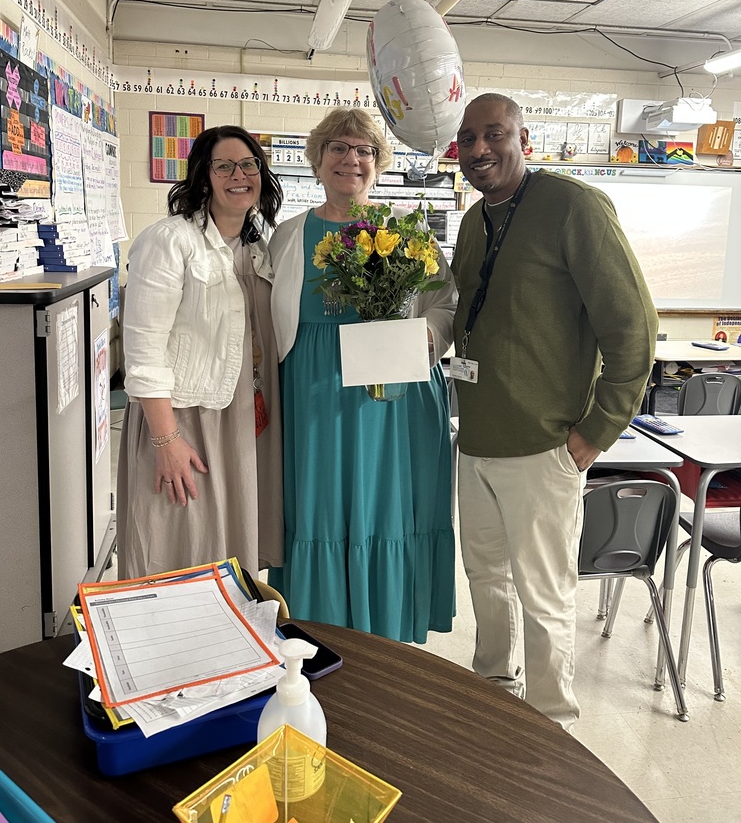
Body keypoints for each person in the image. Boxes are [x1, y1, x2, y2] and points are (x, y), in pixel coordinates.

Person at [450, 93, 658, 732]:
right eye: (468, 139)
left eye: (494, 135)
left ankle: (550, 725)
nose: (480, 150)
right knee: (485, 580)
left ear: (523, 138)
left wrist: (596, 432)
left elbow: (633, 328)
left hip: (545, 447)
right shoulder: (475, 221)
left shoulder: (574, 207)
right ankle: (492, 689)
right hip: (476, 438)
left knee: (542, 595)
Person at [268, 107, 457, 643]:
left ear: (378, 162)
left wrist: (424, 338)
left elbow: (445, 304)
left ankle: (386, 633)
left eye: (365, 150)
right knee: (320, 505)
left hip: (391, 395)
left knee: (385, 505)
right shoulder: (288, 236)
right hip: (313, 392)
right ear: (318, 159)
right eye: (339, 148)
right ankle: (318, 629)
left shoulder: (407, 233)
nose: (351, 159)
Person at [117, 125, 284, 580]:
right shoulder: (170, 240)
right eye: (224, 165)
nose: (239, 175)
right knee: (176, 547)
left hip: (241, 417)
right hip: (183, 419)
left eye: (249, 164)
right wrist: (166, 440)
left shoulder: (257, 248)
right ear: (202, 177)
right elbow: (144, 350)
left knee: (226, 551)